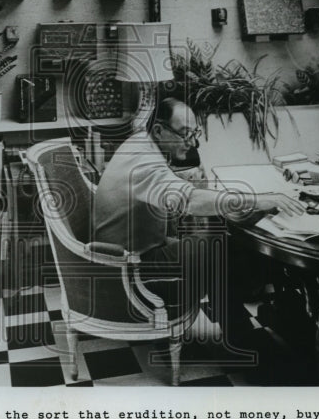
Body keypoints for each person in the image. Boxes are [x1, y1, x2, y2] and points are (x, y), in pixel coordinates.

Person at [93, 97, 304, 348]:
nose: (192, 142)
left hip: (133, 251)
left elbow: (163, 186)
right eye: (185, 134)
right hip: (127, 267)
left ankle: (255, 318)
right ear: (159, 130)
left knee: (222, 245)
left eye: (195, 133)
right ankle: (242, 340)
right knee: (217, 248)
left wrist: (184, 177)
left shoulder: (142, 143)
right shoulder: (146, 164)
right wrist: (260, 200)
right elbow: (190, 201)